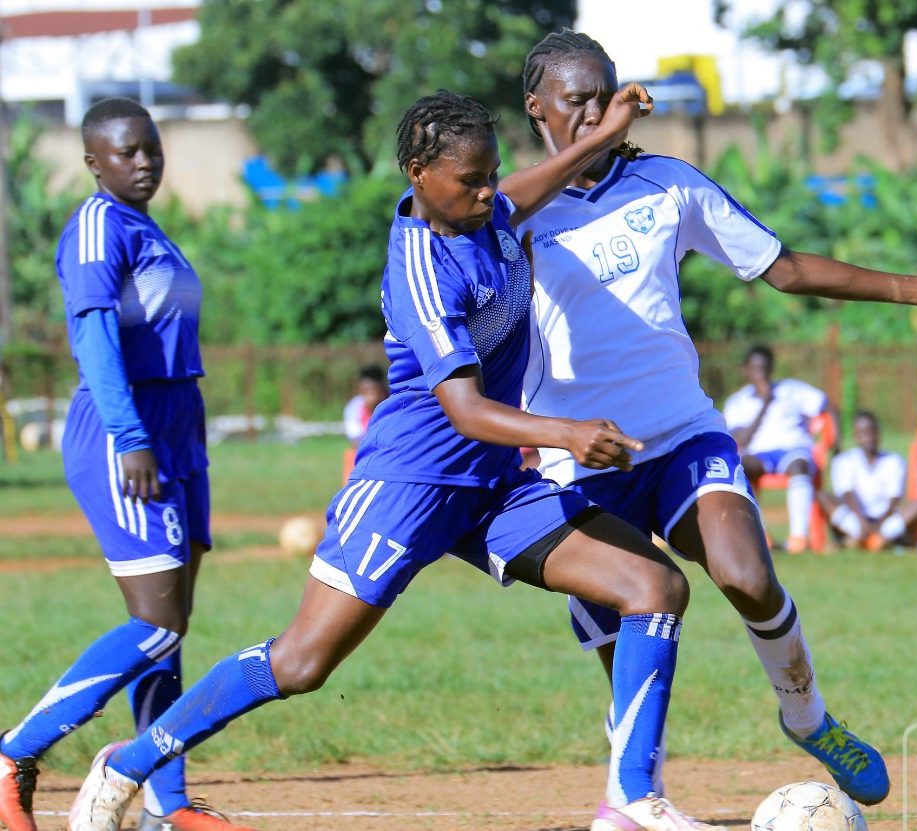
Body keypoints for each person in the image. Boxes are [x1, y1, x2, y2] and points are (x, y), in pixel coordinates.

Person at [67, 89, 716, 831]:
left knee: (652, 584)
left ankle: (631, 802)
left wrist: (605, 132)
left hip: (493, 485)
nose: (487, 190)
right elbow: (464, 408)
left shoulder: (487, 211)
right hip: (409, 484)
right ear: (417, 172)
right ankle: (128, 762)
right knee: (303, 663)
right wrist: (566, 432)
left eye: (491, 174)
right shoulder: (420, 263)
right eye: (470, 179)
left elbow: (535, 181)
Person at [518, 28, 917, 808]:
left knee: (747, 575)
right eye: (572, 100)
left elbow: (781, 267)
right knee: (627, 642)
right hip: (578, 461)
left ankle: (808, 717)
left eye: (600, 97)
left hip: (682, 432)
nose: (589, 114)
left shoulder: (668, 184)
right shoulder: (509, 215)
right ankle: (634, 798)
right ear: (536, 106)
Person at [0, 99, 254, 831]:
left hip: (179, 430)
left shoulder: (150, 229)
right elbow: (94, 339)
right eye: (125, 151)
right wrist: (130, 435)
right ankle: (14, 753)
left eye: (151, 149)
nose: (143, 161)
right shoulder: (95, 227)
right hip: (127, 430)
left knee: (169, 625)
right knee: (156, 621)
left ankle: (165, 802)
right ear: (92, 162)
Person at [723, 345, 837, 553]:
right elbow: (741, 439)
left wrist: (835, 439)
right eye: (756, 369)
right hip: (759, 454)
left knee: (799, 465)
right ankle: (760, 535)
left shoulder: (791, 390)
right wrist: (765, 403)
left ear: (771, 369)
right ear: (746, 370)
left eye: (765, 368)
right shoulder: (738, 402)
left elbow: (827, 406)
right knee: (739, 468)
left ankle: (798, 538)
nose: (761, 374)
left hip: (793, 449)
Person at [817, 411, 917, 551]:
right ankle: (870, 539)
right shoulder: (844, 461)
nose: (867, 437)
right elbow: (847, 495)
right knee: (822, 496)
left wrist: (880, 523)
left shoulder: (894, 461)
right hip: (855, 519)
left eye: (871, 432)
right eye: (862, 433)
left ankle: (869, 539)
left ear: (878, 434)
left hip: (885, 519)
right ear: (856, 436)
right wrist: (862, 521)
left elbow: (894, 498)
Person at [343, 364, 389, 447]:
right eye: (366, 391)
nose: (371, 396)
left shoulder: (391, 404)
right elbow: (355, 440)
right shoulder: (354, 408)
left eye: (374, 391)